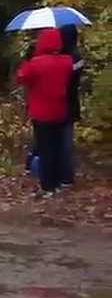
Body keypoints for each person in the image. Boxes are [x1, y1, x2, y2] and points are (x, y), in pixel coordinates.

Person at [16, 28, 73, 198]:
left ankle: (47, 186)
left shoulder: (35, 64)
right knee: (56, 148)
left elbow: (21, 78)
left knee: (45, 149)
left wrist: (28, 59)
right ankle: (57, 183)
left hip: (41, 113)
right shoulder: (66, 61)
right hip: (60, 110)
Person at [58, 24, 84, 187]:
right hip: (70, 103)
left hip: (64, 102)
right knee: (65, 141)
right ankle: (65, 175)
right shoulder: (75, 56)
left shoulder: (72, 57)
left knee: (62, 142)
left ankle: (65, 175)